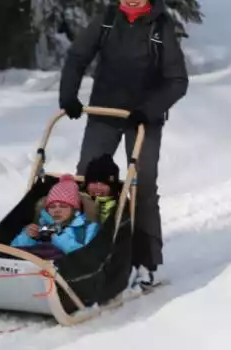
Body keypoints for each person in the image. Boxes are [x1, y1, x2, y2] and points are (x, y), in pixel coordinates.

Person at [59, 0, 188, 287]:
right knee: (86, 179)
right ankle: (82, 253)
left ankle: (146, 262)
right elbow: (77, 56)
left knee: (141, 184)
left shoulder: (160, 25)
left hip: (143, 118)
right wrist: (69, 96)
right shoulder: (107, 19)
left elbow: (178, 80)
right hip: (105, 112)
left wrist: (148, 110)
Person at [13, 177, 98, 260]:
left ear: (74, 209)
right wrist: (28, 237)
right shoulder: (42, 225)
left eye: (63, 206)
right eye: (52, 207)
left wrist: (58, 235)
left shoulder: (88, 228)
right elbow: (12, 253)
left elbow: (87, 258)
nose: (57, 210)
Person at [82, 155, 120, 222]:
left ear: (112, 188)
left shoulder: (121, 210)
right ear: (87, 184)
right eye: (94, 182)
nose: (98, 187)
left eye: (104, 184)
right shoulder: (72, 206)